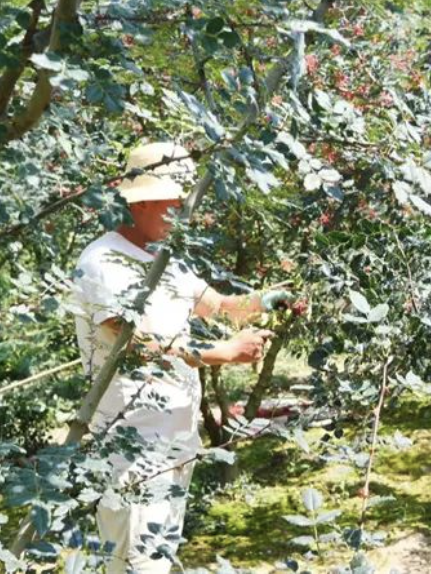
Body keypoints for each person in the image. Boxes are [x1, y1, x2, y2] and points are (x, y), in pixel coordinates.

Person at [71, 142, 297, 573]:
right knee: (135, 562)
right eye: (174, 203)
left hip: (176, 439)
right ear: (140, 203)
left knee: (158, 555)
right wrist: (221, 354)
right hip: (132, 446)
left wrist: (265, 300)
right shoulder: (103, 262)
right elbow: (133, 345)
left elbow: (220, 305)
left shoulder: (165, 258)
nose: (184, 213)